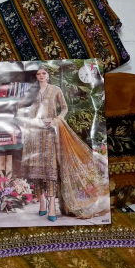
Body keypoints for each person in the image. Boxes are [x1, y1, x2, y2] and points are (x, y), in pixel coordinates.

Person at [18, 66, 109, 222]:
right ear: (36, 76)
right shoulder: (31, 91)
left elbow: (65, 108)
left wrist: (56, 120)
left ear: (48, 75)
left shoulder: (55, 90)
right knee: (36, 169)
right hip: (35, 134)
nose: (41, 75)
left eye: (44, 73)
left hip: (51, 132)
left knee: (50, 168)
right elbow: (20, 107)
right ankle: (42, 202)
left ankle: (52, 205)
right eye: (38, 74)